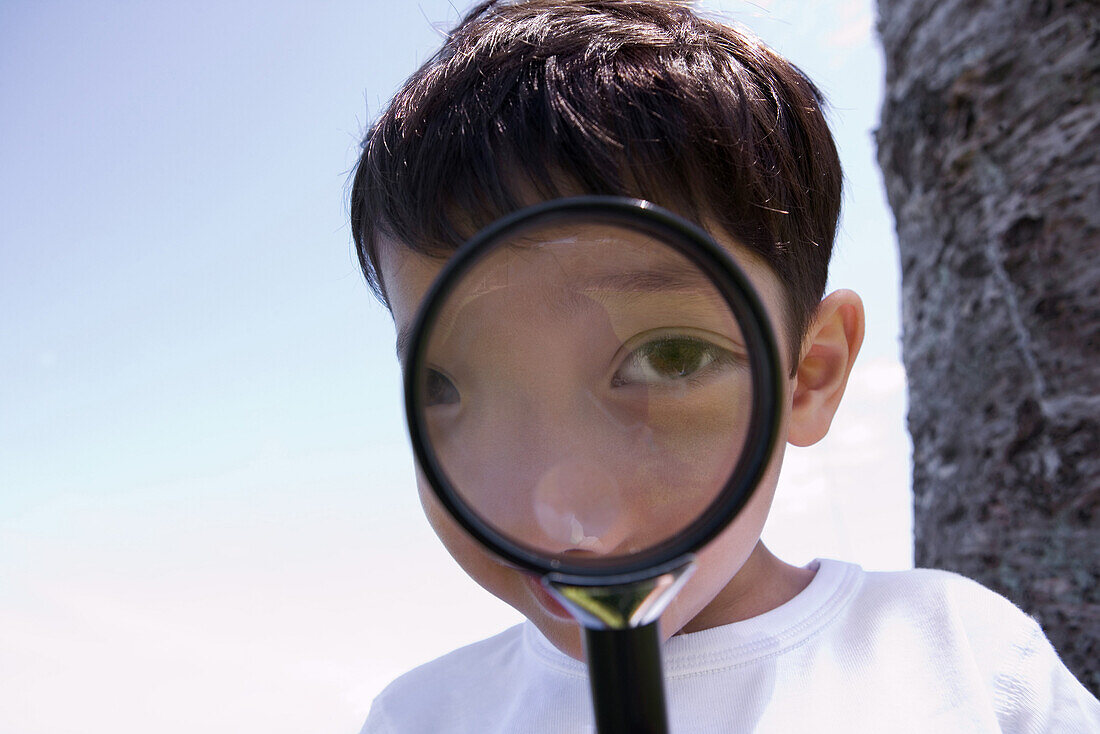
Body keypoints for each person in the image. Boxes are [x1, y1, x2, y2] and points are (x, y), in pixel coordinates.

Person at [349, 1, 1100, 731]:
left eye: (669, 356)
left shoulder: (964, 659)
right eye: (446, 384)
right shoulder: (423, 717)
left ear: (810, 374)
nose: (567, 511)